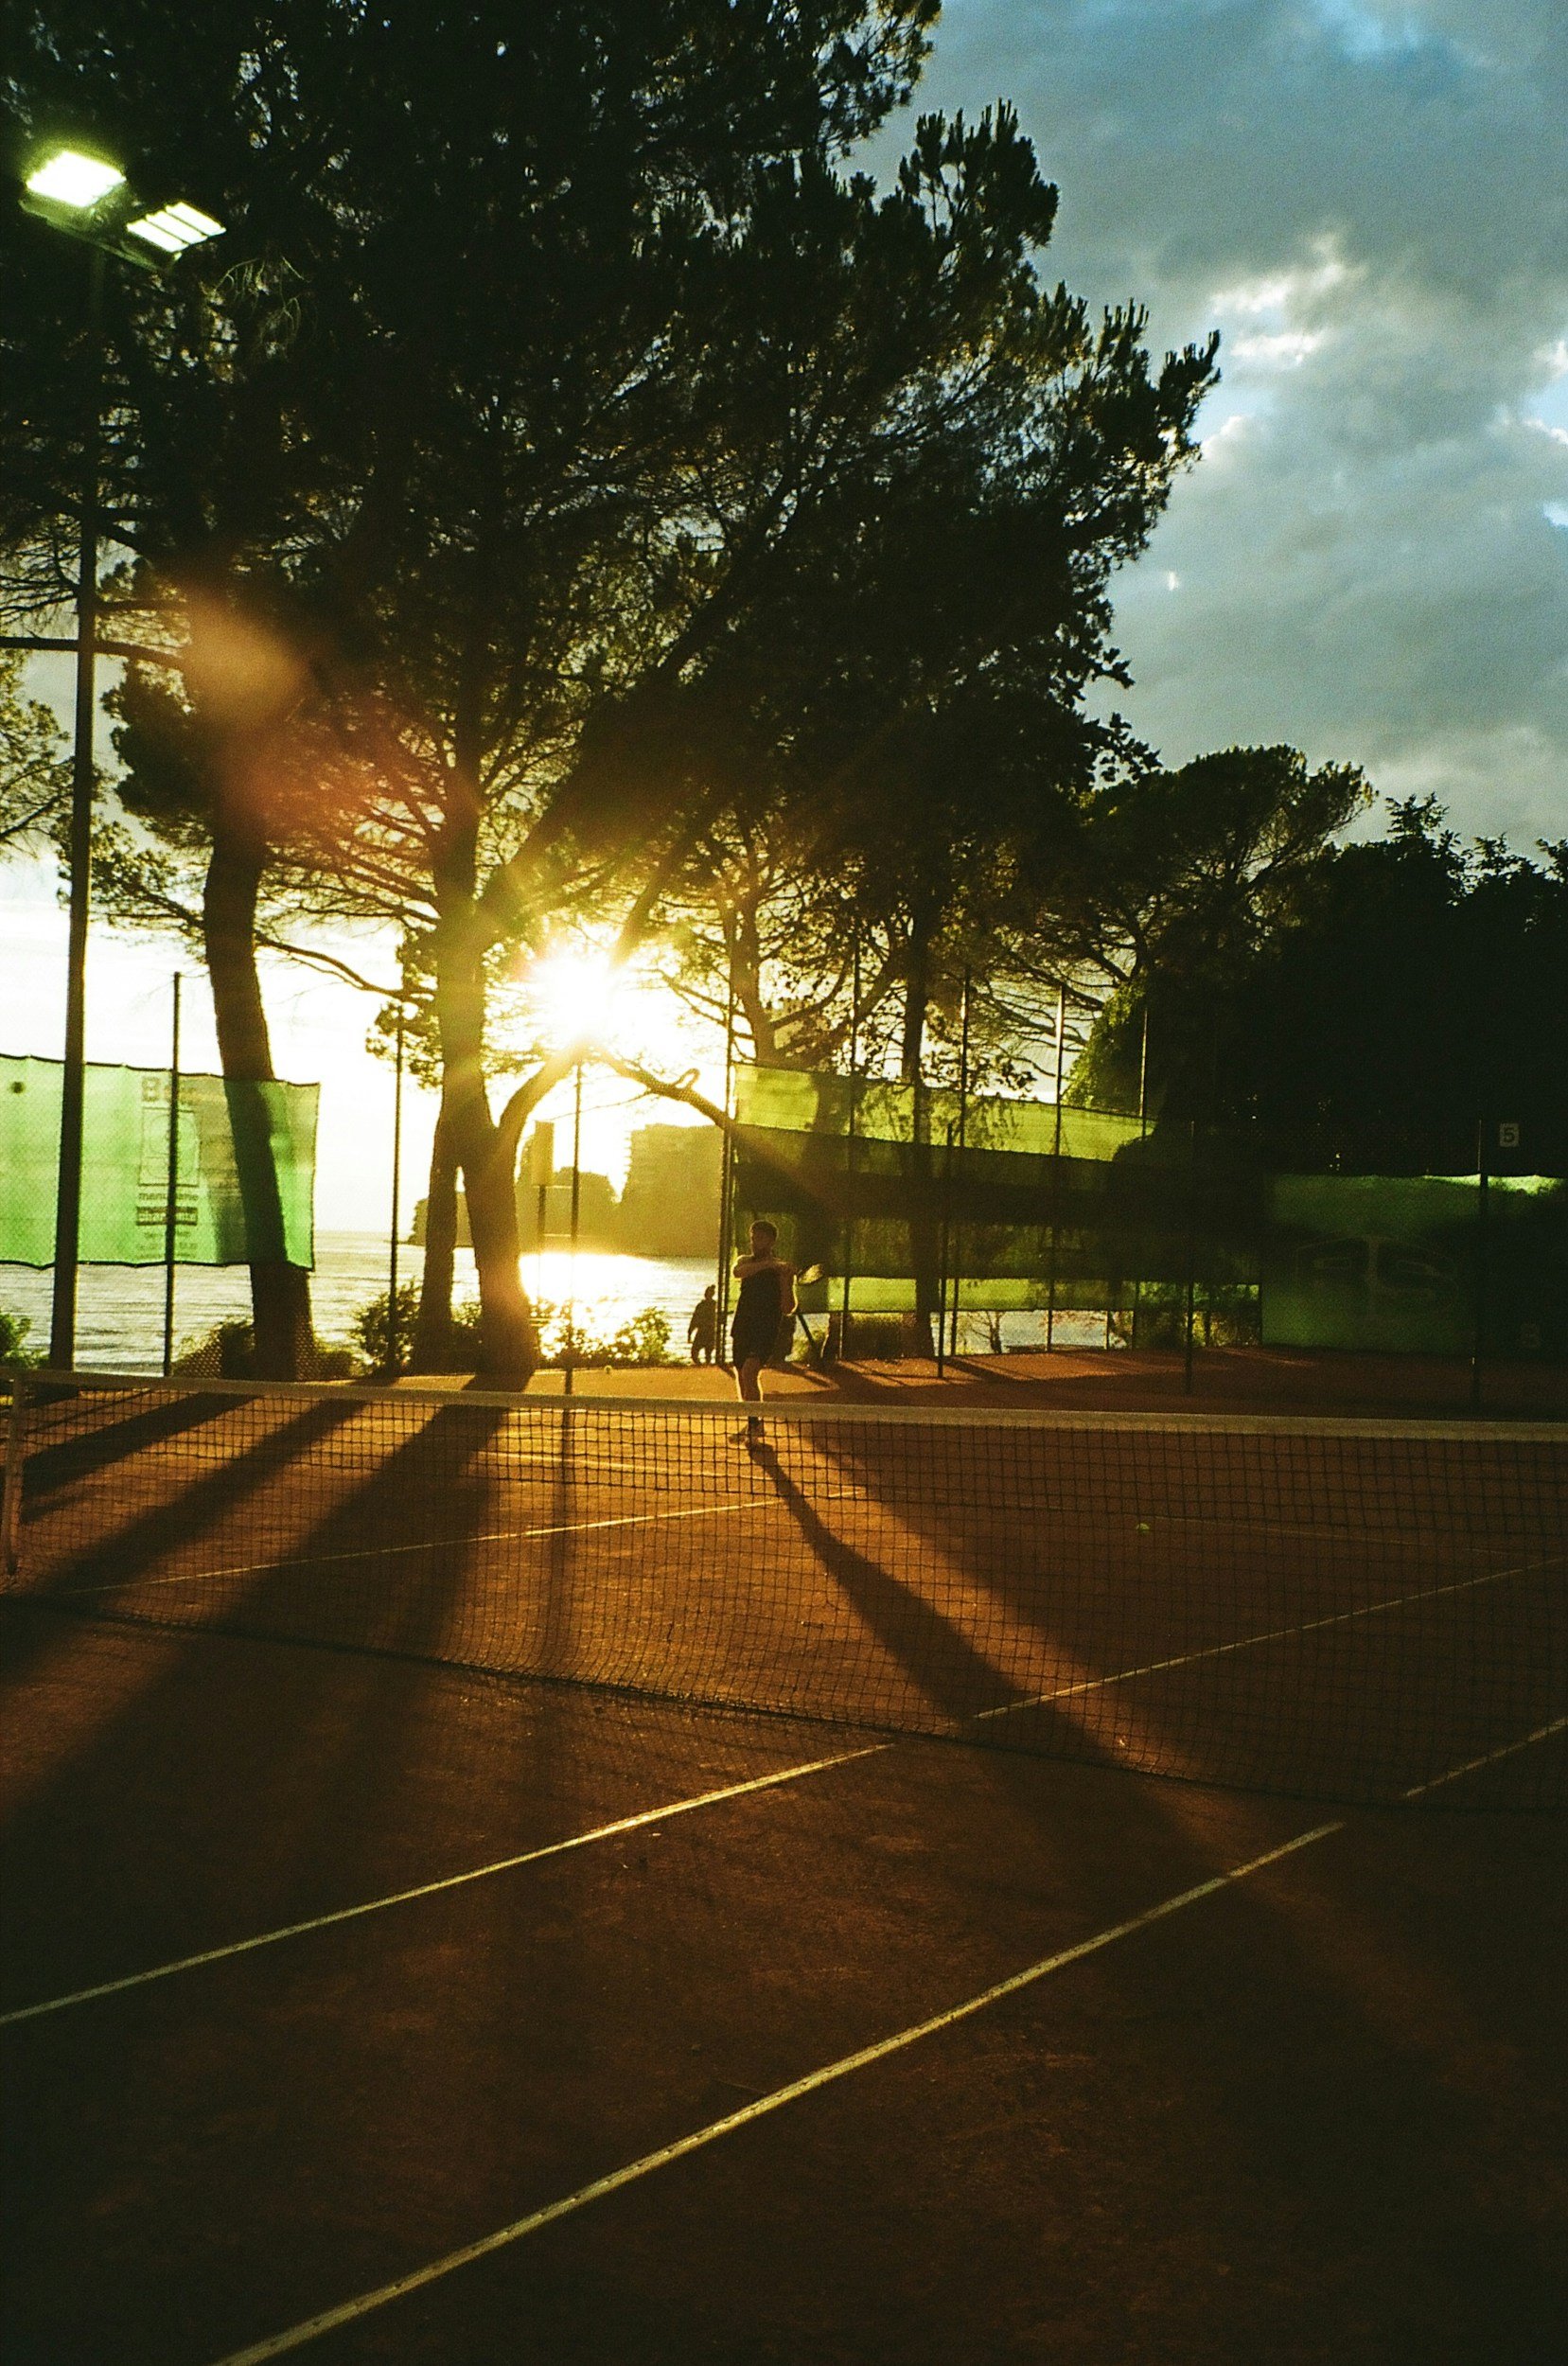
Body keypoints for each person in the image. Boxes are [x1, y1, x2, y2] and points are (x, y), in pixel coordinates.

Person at [730, 1219, 795, 1442]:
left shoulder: (781, 1271)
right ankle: (752, 1423)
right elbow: (738, 1272)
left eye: (760, 1238)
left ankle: (755, 1427)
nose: (755, 1242)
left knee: (750, 1372)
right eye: (753, 1237)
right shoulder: (746, 1261)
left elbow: (787, 1308)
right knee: (741, 1375)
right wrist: (769, 1265)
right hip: (742, 1325)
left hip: (765, 1329)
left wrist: (786, 1279)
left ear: (771, 1241)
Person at [687, 1285, 718, 1365]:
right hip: (709, 1331)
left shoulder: (703, 1305)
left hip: (704, 1331)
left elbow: (695, 1319)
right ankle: (705, 1365)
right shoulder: (715, 1305)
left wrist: (690, 1331)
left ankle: (702, 1365)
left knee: (696, 1351)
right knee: (707, 1353)